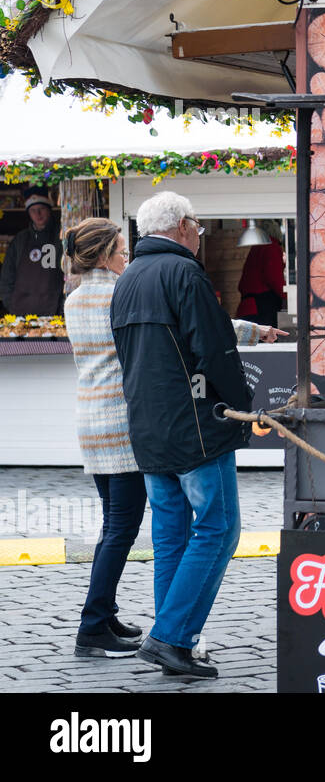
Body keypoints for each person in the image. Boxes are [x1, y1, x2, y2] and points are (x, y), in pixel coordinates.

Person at [110, 192, 283, 678]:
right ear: (183, 225)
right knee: (218, 529)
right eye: (198, 227)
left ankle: (171, 638)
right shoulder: (183, 272)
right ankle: (171, 638)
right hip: (194, 427)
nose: (199, 234)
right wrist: (240, 409)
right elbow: (215, 349)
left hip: (148, 424)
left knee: (171, 536)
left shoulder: (128, 280)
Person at [62, 219, 147, 659]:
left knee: (112, 524)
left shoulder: (73, 300)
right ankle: (93, 626)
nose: (126, 258)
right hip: (121, 426)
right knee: (122, 528)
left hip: (91, 423)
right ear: (102, 255)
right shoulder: (121, 292)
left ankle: (105, 612)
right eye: (121, 250)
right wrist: (251, 331)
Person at [0, 189, 64, 315]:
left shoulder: (60, 237)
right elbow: (6, 277)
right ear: (28, 213)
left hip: (54, 312)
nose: (38, 214)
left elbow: (68, 275)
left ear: (49, 210)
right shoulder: (20, 240)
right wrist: (11, 304)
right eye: (33, 210)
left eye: (41, 209)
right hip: (20, 313)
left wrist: (60, 308)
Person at [235, 222, 287, 327]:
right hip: (261, 309)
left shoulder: (257, 247)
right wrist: (287, 296)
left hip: (248, 308)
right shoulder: (271, 247)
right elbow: (274, 278)